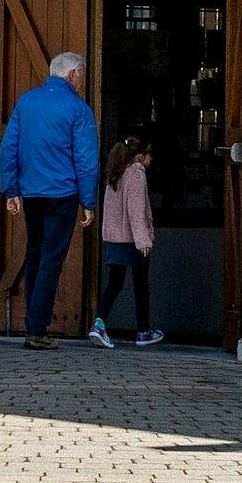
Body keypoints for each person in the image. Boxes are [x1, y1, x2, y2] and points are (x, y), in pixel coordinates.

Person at [0, 50, 98, 349]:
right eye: (81, 75)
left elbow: (9, 147)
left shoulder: (26, 101)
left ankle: (33, 324)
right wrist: (88, 201)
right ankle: (36, 330)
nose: (81, 81)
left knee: (35, 253)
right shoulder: (78, 109)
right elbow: (86, 159)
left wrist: (11, 190)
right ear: (71, 75)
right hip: (62, 194)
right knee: (51, 259)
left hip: (31, 193)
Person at [91, 134, 164, 348]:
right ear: (140, 156)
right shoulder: (136, 175)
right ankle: (143, 331)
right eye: (149, 156)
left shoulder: (115, 173)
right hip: (132, 240)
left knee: (114, 283)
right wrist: (144, 240)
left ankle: (98, 324)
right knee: (141, 286)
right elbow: (136, 211)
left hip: (114, 239)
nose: (151, 161)